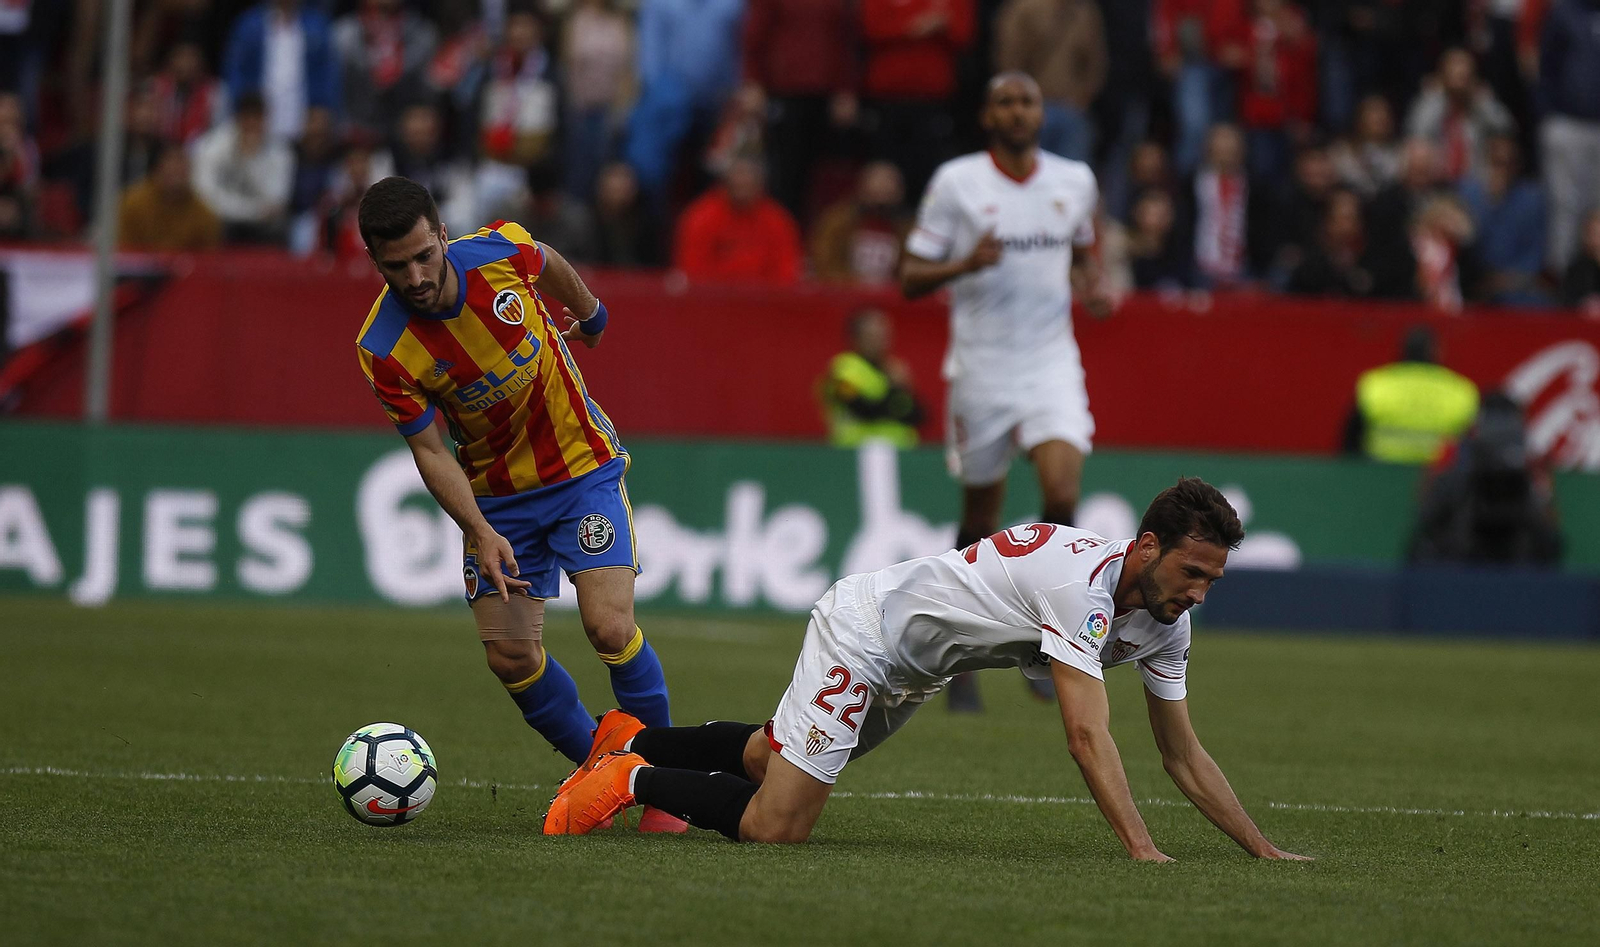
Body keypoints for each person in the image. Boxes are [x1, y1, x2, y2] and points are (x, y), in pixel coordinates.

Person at [545, 479, 1312, 865]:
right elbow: (1086, 733)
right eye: (1194, 570)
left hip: (912, 674)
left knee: (764, 757)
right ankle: (625, 778)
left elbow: (1182, 752)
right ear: (1148, 547)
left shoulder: (1166, 621)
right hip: (865, 634)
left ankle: (633, 736)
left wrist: (1262, 849)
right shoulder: (1083, 589)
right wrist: (1143, 850)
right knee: (780, 825)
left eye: (1213, 578)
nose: (1201, 592)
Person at [352, 176, 683, 833]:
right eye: (397, 266)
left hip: (581, 465)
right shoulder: (383, 348)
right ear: (375, 261)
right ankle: (610, 768)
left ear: (443, 234)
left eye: (424, 255)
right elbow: (430, 452)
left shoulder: (500, 251)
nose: (416, 276)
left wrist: (589, 313)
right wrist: (476, 529)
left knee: (609, 627)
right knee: (509, 655)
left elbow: (550, 261)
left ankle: (669, 785)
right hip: (496, 502)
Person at [899, 73, 1112, 712]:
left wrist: (1094, 286)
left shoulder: (1074, 181)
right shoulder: (956, 182)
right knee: (980, 520)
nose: (1018, 112)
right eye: (1006, 103)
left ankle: (1050, 643)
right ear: (988, 116)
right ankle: (956, 659)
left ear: (1042, 114)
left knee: (1063, 492)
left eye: (1028, 101)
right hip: (982, 370)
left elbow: (1082, 253)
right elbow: (910, 275)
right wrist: (965, 264)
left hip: (1051, 362)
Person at [1409, 391, 1563, 566]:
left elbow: (1549, 538)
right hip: (1458, 560)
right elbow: (1427, 512)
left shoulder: (1529, 463)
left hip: (1515, 561)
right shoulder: (1452, 454)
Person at [1342, 326, 1479, 465]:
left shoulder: (1376, 384)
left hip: (1381, 472)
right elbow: (1474, 441)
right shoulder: (1460, 390)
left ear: (1403, 350)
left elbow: (1351, 438)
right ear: (1438, 352)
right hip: (1439, 475)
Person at [992, 0, 1108, 163]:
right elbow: (1008, 57)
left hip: (1072, 109)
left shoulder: (1084, 11)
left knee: (1072, 175)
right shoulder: (1022, 8)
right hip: (1031, 108)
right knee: (1028, 172)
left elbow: (1096, 60)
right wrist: (1022, 100)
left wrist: (1083, 97)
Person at [673, 156, 803, 285]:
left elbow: (787, 274)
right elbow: (692, 273)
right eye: (739, 174)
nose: (743, 181)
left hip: (765, 301)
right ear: (725, 179)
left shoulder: (778, 221)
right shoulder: (701, 218)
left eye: (749, 175)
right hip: (714, 301)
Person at [189, 92, 294, 245]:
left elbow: (276, 201)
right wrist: (254, 211)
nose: (251, 125)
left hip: (261, 226)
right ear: (237, 118)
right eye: (246, 118)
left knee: (280, 227)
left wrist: (250, 159)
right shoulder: (213, 145)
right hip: (224, 220)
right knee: (207, 222)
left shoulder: (281, 152)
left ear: (266, 120)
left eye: (257, 118)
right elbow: (206, 197)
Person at [822, 308, 924, 448]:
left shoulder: (893, 369)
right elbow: (864, 410)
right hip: (856, 452)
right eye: (873, 336)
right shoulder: (844, 369)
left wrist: (903, 388)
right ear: (856, 338)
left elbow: (918, 415)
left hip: (899, 453)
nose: (880, 341)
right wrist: (894, 390)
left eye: (884, 335)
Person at [809, 161, 910, 285]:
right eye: (875, 193)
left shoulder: (908, 230)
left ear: (900, 193)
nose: (880, 196)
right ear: (861, 188)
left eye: (887, 192)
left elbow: (913, 269)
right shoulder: (838, 222)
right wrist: (853, 282)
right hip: (845, 295)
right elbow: (824, 262)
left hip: (892, 298)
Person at [118, 145, 221, 251]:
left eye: (181, 164)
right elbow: (123, 250)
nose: (176, 170)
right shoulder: (132, 203)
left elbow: (208, 258)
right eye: (171, 163)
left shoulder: (203, 215)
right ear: (157, 169)